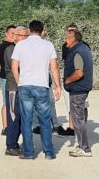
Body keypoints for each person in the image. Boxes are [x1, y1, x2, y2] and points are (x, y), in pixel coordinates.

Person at [11, 20, 61, 160]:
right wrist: (58, 86)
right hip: (42, 85)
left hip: (25, 85)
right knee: (45, 120)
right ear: (42, 30)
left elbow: (14, 66)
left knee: (26, 120)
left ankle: (28, 152)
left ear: (29, 30)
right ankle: (49, 152)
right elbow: (54, 67)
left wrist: (19, 82)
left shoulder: (20, 45)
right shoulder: (48, 45)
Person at [63, 29, 94, 157]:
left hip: (78, 89)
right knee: (78, 118)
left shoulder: (77, 52)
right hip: (81, 88)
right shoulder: (84, 48)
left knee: (78, 119)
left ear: (73, 39)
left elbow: (79, 72)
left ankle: (85, 148)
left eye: (67, 38)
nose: (65, 41)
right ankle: (82, 145)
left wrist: (67, 80)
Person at [58, 23, 91, 136]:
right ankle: (72, 127)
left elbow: (79, 70)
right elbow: (66, 62)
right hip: (73, 82)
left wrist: (68, 80)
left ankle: (81, 130)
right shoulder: (66, 46)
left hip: (78, 83)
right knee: (70, 105)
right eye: (68, 30)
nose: (69, 33)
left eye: (72, 31)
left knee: (82, 106)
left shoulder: (82, 47)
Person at [4, 26, 28, 156]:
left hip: (23, 88)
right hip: (13, 88)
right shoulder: (10, 49)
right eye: (24, 36)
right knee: (13, 117)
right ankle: (10, 145)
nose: (26, 39)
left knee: (21, 117)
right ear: (17, 37)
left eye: (27, 36)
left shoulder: (23, 49)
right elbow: (16, 67)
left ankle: (15, 142)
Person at [0, 25, 16, 135]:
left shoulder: (6, 45)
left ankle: (6, 127)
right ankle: (5, 127)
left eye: (15, 33)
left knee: (8, 103)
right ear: (6, 33)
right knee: (6, 103)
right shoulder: (7, 46)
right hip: (6, 77)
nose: (13, 35)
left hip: (5, 76)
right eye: (11, 33)